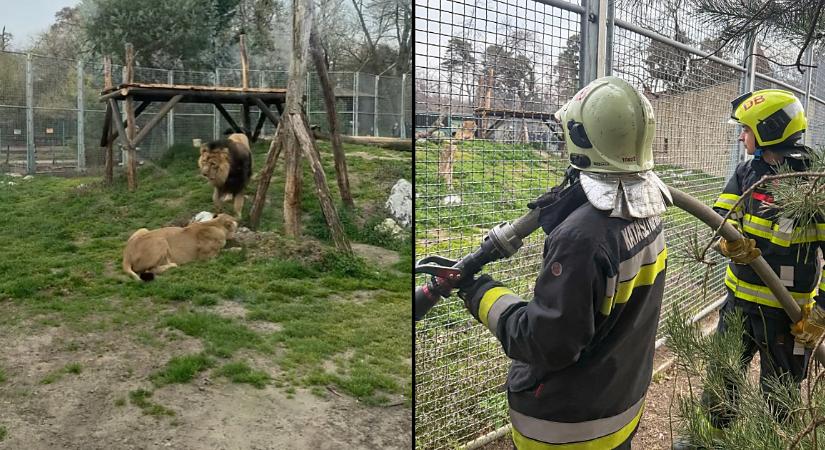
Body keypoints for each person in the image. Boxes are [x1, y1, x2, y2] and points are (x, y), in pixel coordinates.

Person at [457, 76, 671, 449]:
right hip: (620, 406)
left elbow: (546, 343)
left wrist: (479, 293)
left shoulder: (581, 240)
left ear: (582, 139)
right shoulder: (649, 211)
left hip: (568, 429)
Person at [676, 89, 825, 448]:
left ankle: (774, 442)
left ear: (768, 130)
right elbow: (720, 215)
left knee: (780, 396)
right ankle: (708, 439)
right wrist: (729, 240)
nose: (742, 136)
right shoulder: (748, 173)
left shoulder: (815, 188)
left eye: (746, 129)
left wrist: (820, 315)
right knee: (721, 379)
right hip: (738, 306)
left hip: (789, 318)